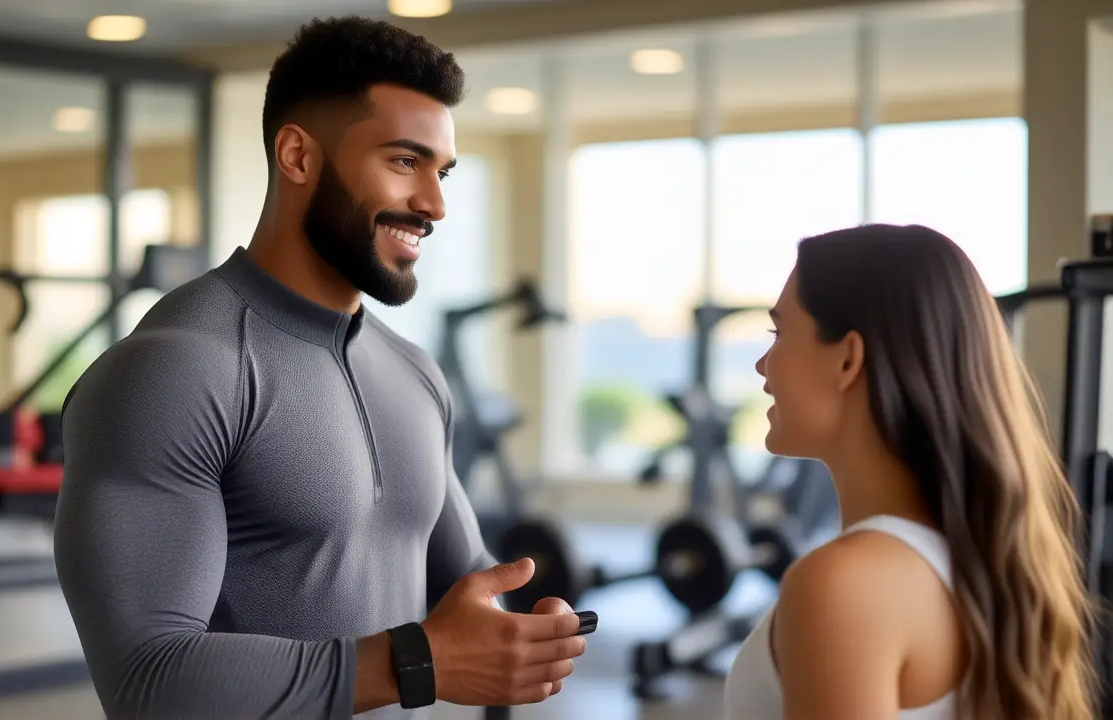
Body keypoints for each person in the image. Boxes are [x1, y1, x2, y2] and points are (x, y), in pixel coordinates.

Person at [53, 16, 592, 720]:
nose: (434, 204)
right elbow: (150, 681)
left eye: (442, 171)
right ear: (299, 156)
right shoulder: (175, 372)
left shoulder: (416, 375)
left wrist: (530, 630)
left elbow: (472, 601)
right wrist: (417, 662)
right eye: (404, 162)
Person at [723, 224, 1095, 720]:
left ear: (848, 359)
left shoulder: (844, 583)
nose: (762, 365)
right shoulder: (974, 560)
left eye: (780, 333)